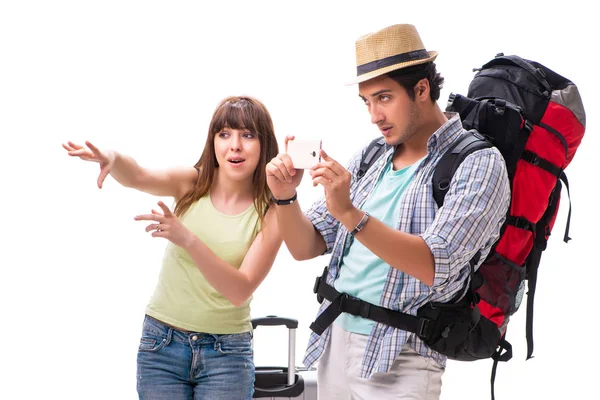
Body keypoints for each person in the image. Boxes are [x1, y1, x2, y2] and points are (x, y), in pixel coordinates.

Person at [265, 24, 511, 400]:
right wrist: (284, 197)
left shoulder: (478, 162)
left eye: (384, 98)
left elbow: (435, 264)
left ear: (422, 90)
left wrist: (349, 213)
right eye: (366, 101)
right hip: (334, 339)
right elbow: (306, 246)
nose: (374, 115)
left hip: (403, 356)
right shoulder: (373, 155)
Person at [63, 96, 282, 400]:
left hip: (227, 354)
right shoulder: (193, 183)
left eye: (247, 135)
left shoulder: (272, 212)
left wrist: (188, 239)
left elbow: (239, 290)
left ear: (264, 145)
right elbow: (139, 175)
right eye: (224, 134)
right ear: (213, 141)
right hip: (162, 345)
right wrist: (113, 158)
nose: (235, 145)